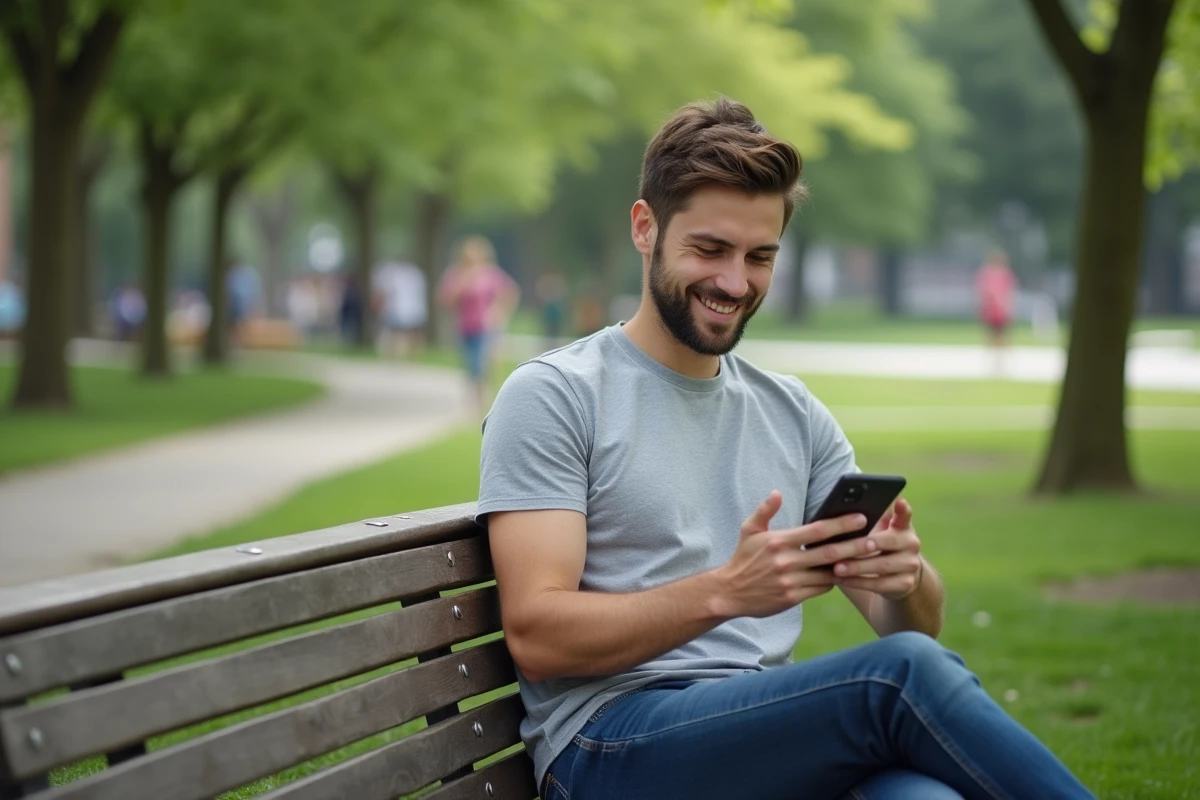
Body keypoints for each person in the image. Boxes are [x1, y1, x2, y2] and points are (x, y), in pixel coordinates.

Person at [478, 98, 1096, 800]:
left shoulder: (792, 412)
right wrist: (724, 592)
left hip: (756, 736)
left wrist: (905, 579)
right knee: (897, 680)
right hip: (608, 746)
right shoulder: (556, 394)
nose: (735, 283)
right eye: (709, 250)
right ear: (645, 228)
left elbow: (913, 627)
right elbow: (538, 634)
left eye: (760, 257)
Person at [436, 236, 519, 411]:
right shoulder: (455, 275)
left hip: (486, 327)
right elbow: (444, 300)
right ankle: (475, 401)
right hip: (464, 327)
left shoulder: (490, 274)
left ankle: (485, 401)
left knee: (483, 363)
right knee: (470, 365)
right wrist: (462, 286)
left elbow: (510, 292)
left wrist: (499, 312)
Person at [372, 259, 427, 359]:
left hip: (402, 308)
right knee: (404, 333)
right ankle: (406, 356)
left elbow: (383, 293)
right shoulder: (415, 273)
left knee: (398, 333)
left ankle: (398, 356)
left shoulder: (393, 274)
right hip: (404, 308)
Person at [976, 248, 1018, 372]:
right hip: (992, 312)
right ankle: (993, 362)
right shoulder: (987, 274)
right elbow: (983, 294)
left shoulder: (1004, 274)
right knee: (991, 337)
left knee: (1002, 337)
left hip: (1000, 312)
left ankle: (1002, 362)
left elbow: (1009, 294)